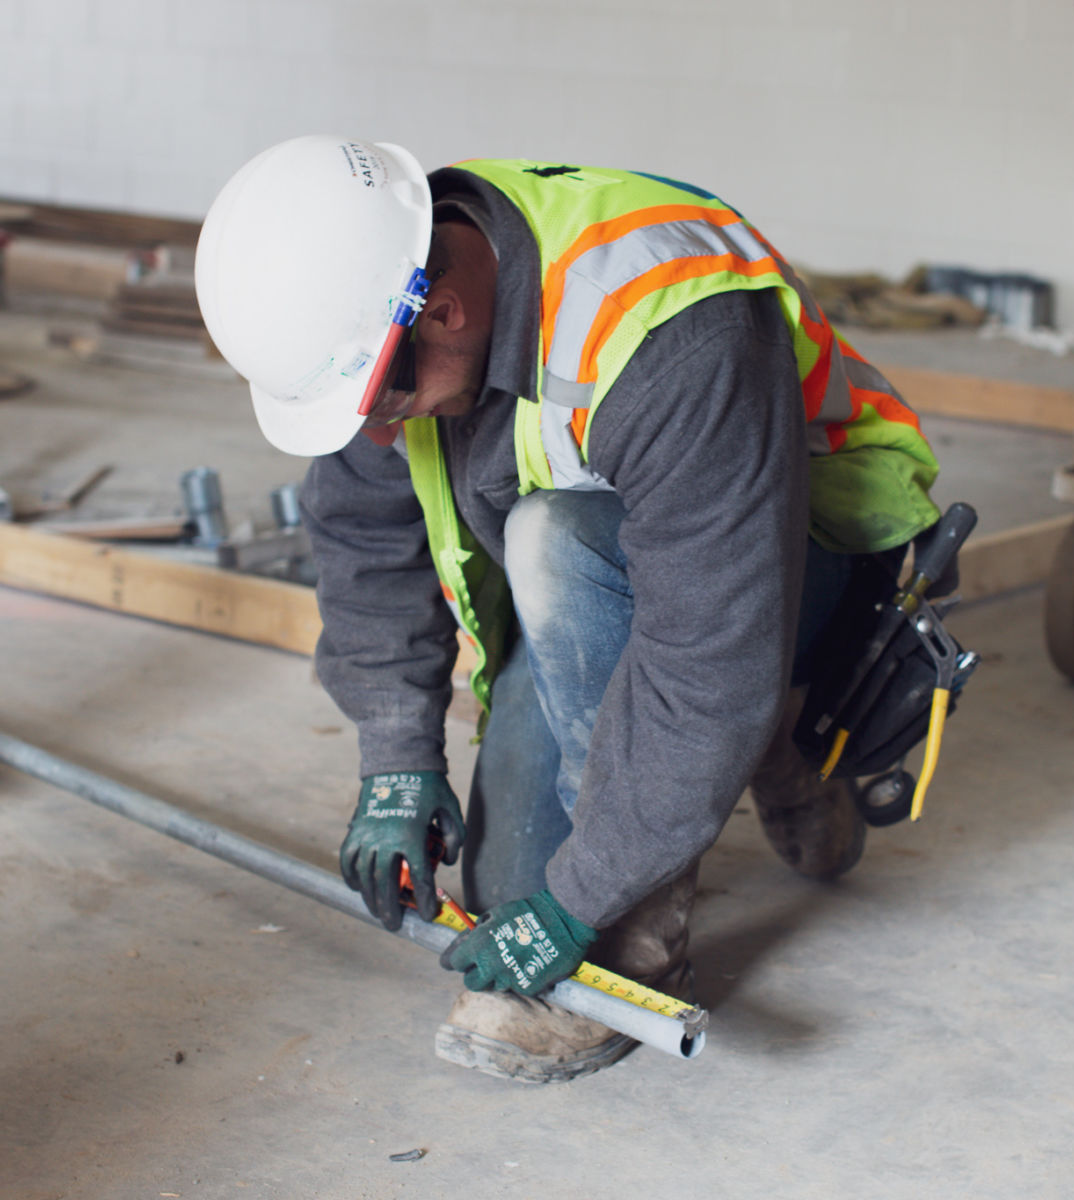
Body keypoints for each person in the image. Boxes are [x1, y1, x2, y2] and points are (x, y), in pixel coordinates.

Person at [194, 136, 943, 1083]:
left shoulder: (674, 328)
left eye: (382, 399)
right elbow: (364, 541)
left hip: (802, 559)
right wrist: (395, 755)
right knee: (503, 897)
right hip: (603, 590)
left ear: (448, 312)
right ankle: (768, 751)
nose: (376, 431)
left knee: (554, 546)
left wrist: (585, 904)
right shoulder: (381, 310)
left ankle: (656, 925)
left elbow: (707, 655)